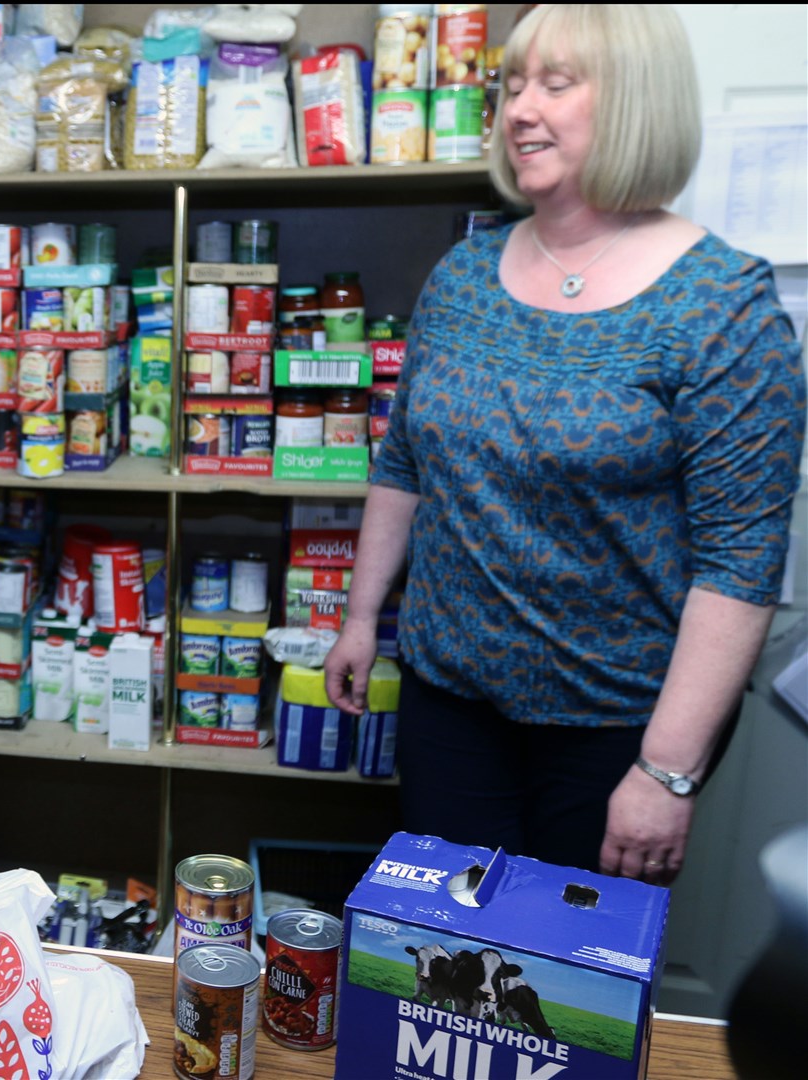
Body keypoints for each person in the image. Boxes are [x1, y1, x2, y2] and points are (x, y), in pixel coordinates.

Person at [324, 5, 804, 886]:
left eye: (554, 84)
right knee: (443, 963)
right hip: (448, 702)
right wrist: (360, 617)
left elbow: (741, 565)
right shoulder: (464, 274)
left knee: (565, 997)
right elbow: (404, 464)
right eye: (510, 85)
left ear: (633, 102)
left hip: (615, 729)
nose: (517, 111)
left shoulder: (722, 305)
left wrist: (666, 772)